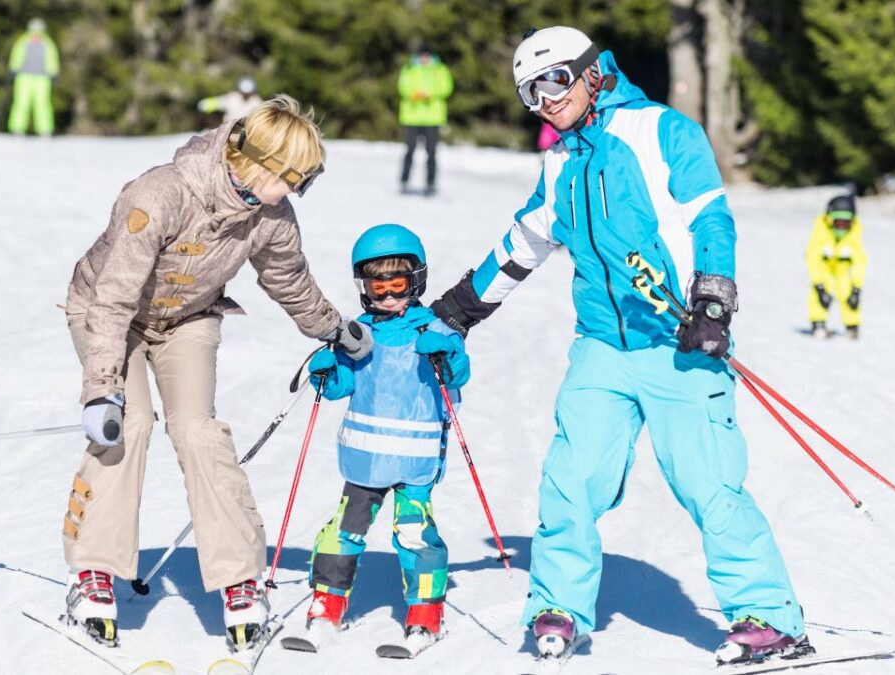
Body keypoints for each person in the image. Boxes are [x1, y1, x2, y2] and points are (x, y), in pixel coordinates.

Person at [429, 26, 809, 666]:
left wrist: (712, 301)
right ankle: (559, 607)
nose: (544, 100)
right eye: (529, 92)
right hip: (602, 345)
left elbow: (709, 217)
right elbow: (525, 242)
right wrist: (455, 313)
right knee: (571, 480)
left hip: (679, 340)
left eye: (552, 82)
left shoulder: (663, 132)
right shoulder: (560, 160)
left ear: (590, 73)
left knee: (708, 484)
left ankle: (770, 618)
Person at [61, 95, 372, 652]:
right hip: (110, 315)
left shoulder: (269, 215)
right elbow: (111, 300)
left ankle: (239, 579)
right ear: (264, 166)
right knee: (129, 425)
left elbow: (288, 280)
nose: (298, 194)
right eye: (296, 181)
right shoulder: (158, 195)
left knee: (199, 431)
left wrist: (331, 327)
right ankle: (92, 572)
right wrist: (102, 388)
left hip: (187, 318)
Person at [291, 224, 469, 650]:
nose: (388, 295)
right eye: (378, 286)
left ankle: (425, 615)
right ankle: (326, 606)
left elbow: (459, 374)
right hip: (365, 463)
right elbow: (340, 387)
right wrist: (326, 371)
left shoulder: (436, 331)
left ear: (417, 280)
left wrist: (445, 357)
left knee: (413, 533)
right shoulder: (359, 337)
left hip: (415, 462)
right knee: (342, 532)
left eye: (398, 284)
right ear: (363, 287)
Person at [806, 194, 867, 339]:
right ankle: (818, 324)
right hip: (824, 266)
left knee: (847, 291)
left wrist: (857, 289)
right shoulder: (820, 229)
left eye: (846, 224)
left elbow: (860, 261)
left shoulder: (855, 233)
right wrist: (819, 286)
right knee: (820, 292)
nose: (842, 228)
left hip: (843, 268)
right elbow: (812, 257)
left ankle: (852, 326)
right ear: (829, 219)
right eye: (838, 223)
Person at [397, 46, 452, 196]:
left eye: (427, 56)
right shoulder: (409, 69)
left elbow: (447, 87)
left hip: (432, 118)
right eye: (422, 56)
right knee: (409, 150)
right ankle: (404, 180)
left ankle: (431, 182)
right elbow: (402, 87)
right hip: (412, 117)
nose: (425, 59)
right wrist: (413, 94)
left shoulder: (440, 70)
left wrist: (431, 94)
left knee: (432, 152)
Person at [7, 18, 59, 136]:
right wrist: (13, 70)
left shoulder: (47, 44)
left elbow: (52, 60)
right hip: (24, 77)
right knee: (21, 102)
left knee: (43, 104)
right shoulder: (22, 42)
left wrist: (54, 74)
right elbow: (16, 57)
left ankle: (45, 129)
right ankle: (17, 128)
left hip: (42, 78)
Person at [197, 76, 263, 128]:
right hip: (227, 131)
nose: (245, 95)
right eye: (243, 92)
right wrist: (204, 104)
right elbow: (218, 102)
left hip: (246, 133)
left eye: (248, 93)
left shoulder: (257, 102)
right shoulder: (232, 98)